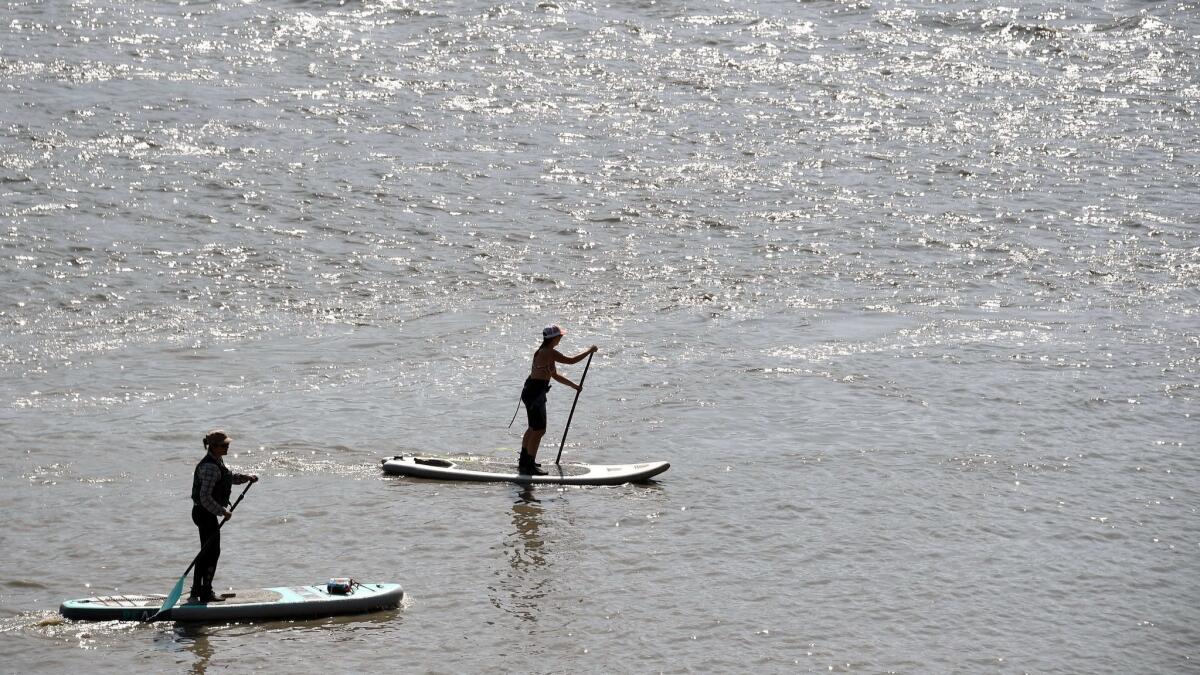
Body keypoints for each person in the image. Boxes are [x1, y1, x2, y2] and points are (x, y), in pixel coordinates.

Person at [189, 430, 257, 603]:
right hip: (204, 513)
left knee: (206, 551)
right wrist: (222, 511)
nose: (228, 447)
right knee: (212, 552)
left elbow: (227, 477)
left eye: (228, 444)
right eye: (224, 445)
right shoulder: (210, 467)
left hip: (205, 512)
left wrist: (245, 477)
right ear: (213, 447)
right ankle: (205, 592)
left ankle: (197, 590)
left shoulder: (216, 461)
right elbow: (205, 497)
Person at [519, 325, 597, 475]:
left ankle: (525, 462)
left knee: (532, 428)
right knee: (539, 430)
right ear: (553, 338)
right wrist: (589, 350)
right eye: (560, 336)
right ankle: (528, 466)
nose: (561, 338)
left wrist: (574, 386)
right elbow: (571, 361)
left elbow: (554, 376)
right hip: (535, 394)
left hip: (531, 392)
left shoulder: (542, 352)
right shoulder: (549, 352)